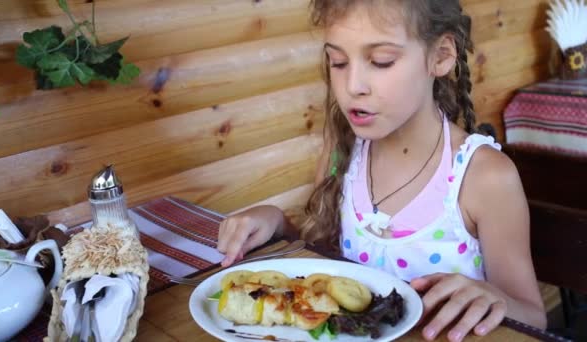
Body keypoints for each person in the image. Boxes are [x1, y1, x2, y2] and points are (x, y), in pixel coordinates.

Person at [217, 1, 547, 340]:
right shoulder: (343, 149)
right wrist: (277, 223)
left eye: (380, 61)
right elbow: (319, 256)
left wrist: (497, 300)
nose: (352, 86)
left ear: (441, 56)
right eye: (338, 62)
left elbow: (534, 319)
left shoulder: (484, 177)